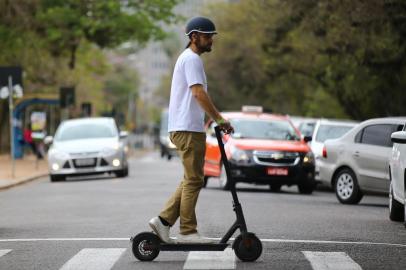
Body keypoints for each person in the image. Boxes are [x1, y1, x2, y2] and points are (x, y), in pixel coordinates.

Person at [148, 17, 234, 243]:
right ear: (194, 37)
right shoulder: (192, 59)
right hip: (187, 129)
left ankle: (163, 221)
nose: (211, 40)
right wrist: (219, 119)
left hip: (186, 127)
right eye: (207, 36)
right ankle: (187, 231)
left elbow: (197, 94)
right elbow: (198, 93)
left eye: (212, 36)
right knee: (195, 180)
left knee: (190, 178)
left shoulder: (188, 59)